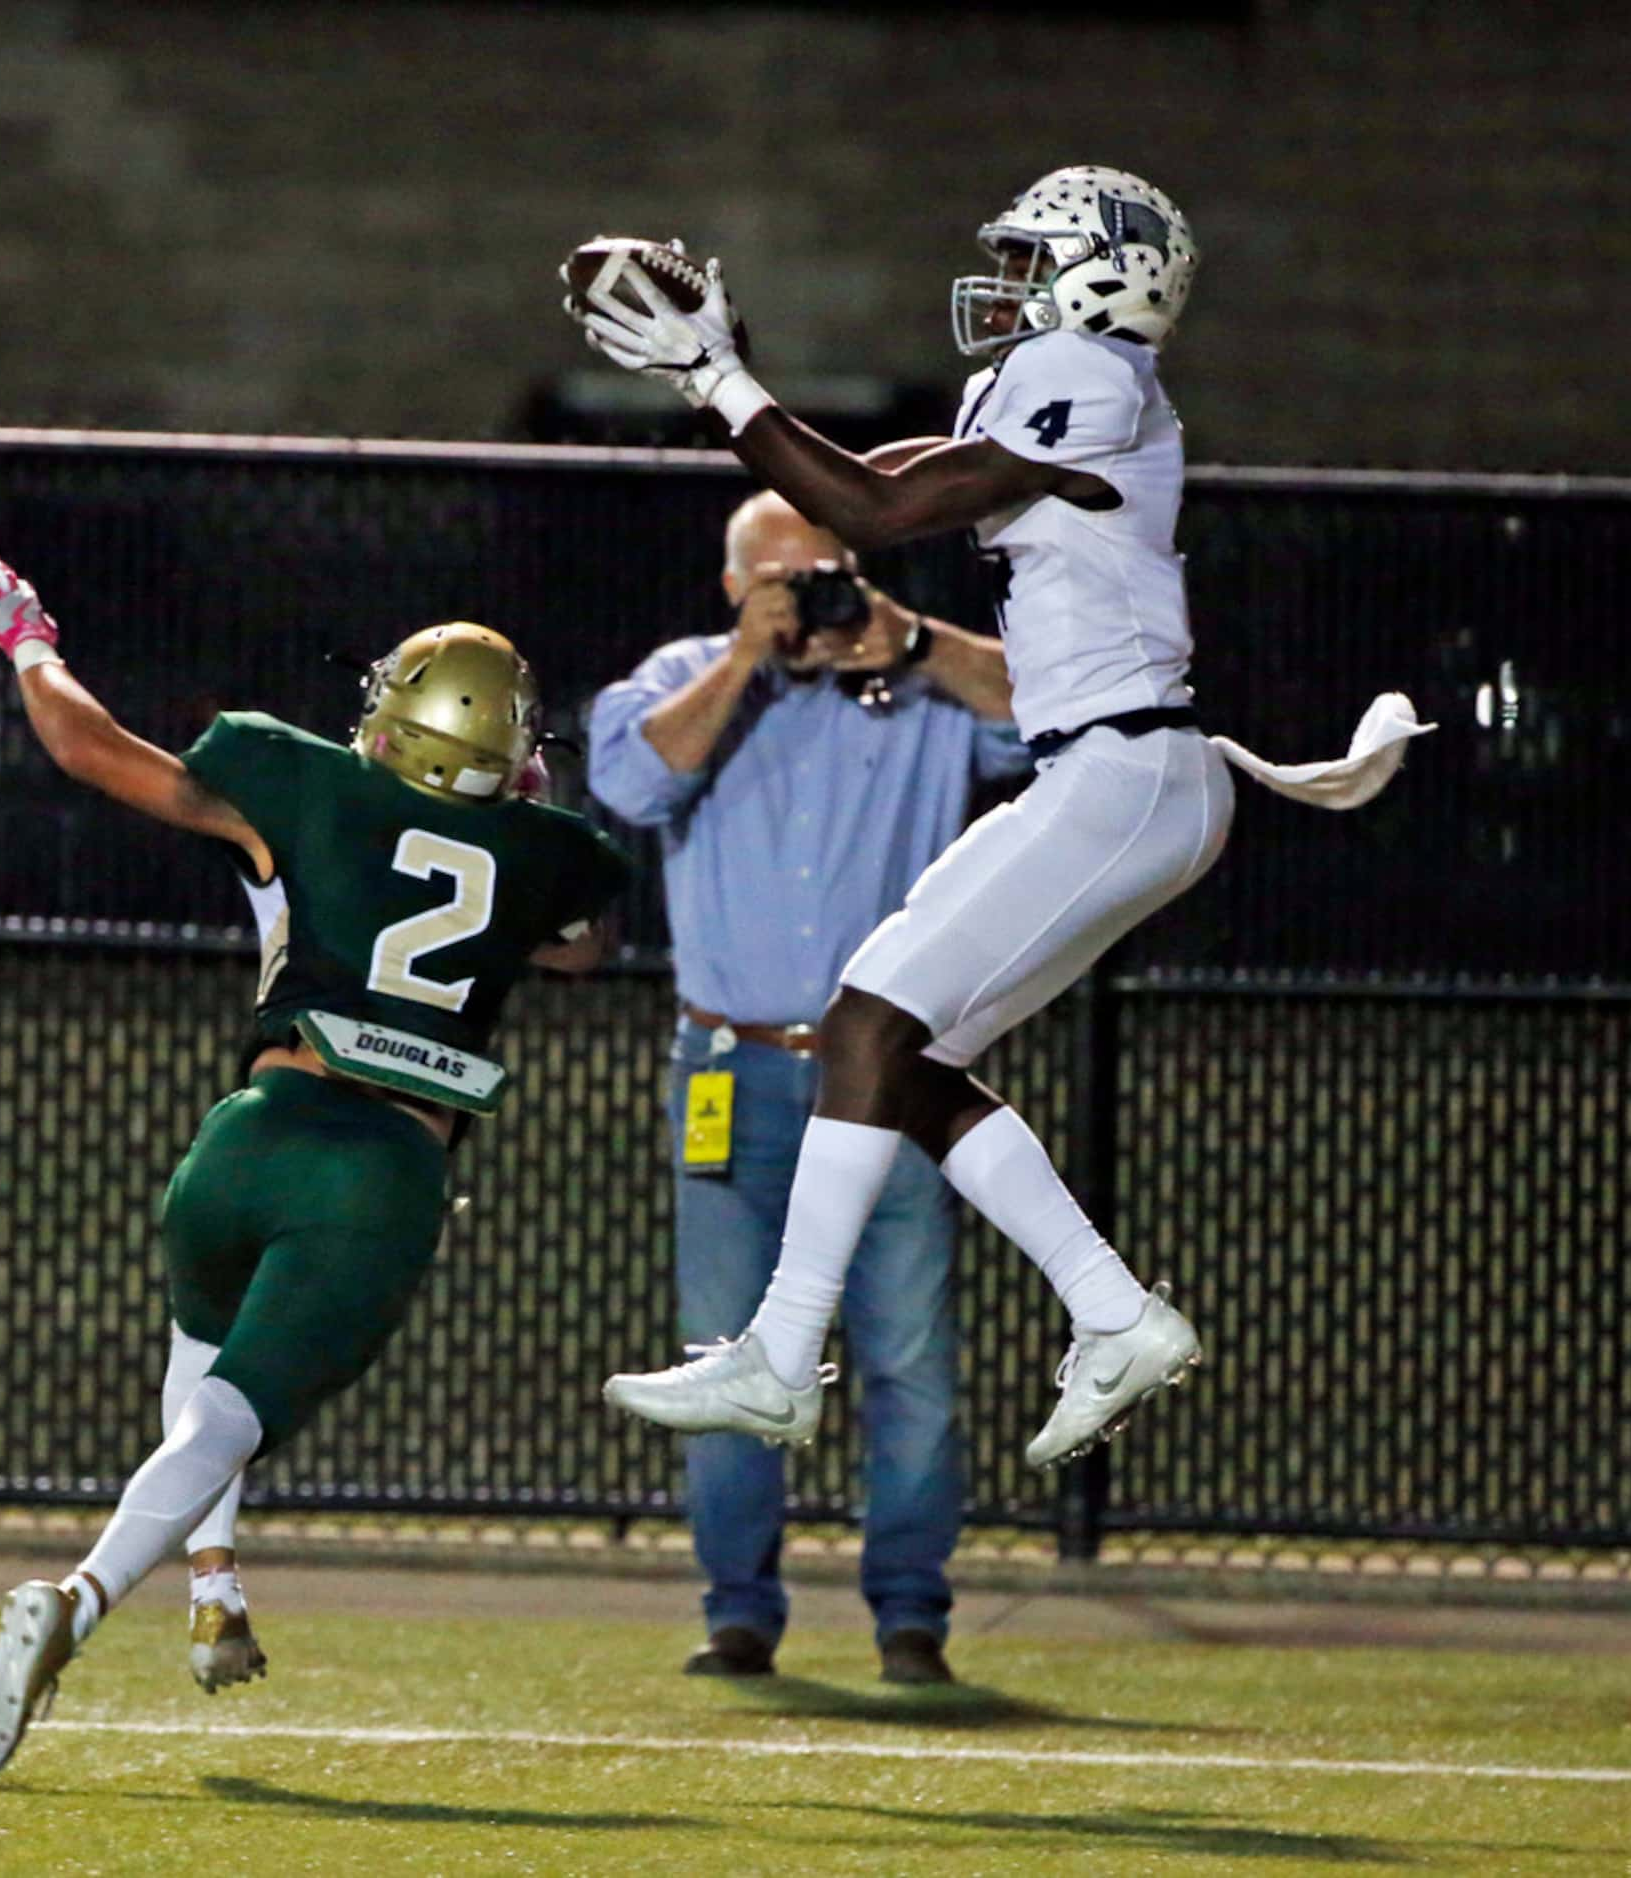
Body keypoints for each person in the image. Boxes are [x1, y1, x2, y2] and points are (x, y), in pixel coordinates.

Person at [571, 166, 1427, 1466]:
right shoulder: (1059, 391)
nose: (1012, 286)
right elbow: (861, 477)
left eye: (1035, 261)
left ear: (1103, 274)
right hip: (1118, 775)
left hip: (1121, 769)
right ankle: (1110, 1311)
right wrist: (734, 371)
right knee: (895, 1061)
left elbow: (873, 515)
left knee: (862, 1014)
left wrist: (715, 383)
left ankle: (779, 1355)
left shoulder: (1094, 374)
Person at [0, 556, 630, 1776]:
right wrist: (513, 801)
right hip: (383, 1170)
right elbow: (582, 948)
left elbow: (92, 749)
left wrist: (30, 645)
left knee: (200, 1360)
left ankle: (211, 1576)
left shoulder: (291, 778)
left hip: (248, 1135)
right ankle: (85, 1597)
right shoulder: (550, 849)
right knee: (233, 1412)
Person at [587, 490, 1025, 1682]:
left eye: (825, 572)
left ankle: (910, 1616)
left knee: (911, 1357)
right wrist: (744, 660)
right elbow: (628, 786)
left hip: (889, 1075)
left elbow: (1055, 720)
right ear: (735, 588)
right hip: (730, 1064)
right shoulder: (686, 672)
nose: (810, 599)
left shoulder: (914, 673)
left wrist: (917, 639)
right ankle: (738, 1609)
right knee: (725, 1352)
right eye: (782, 580)